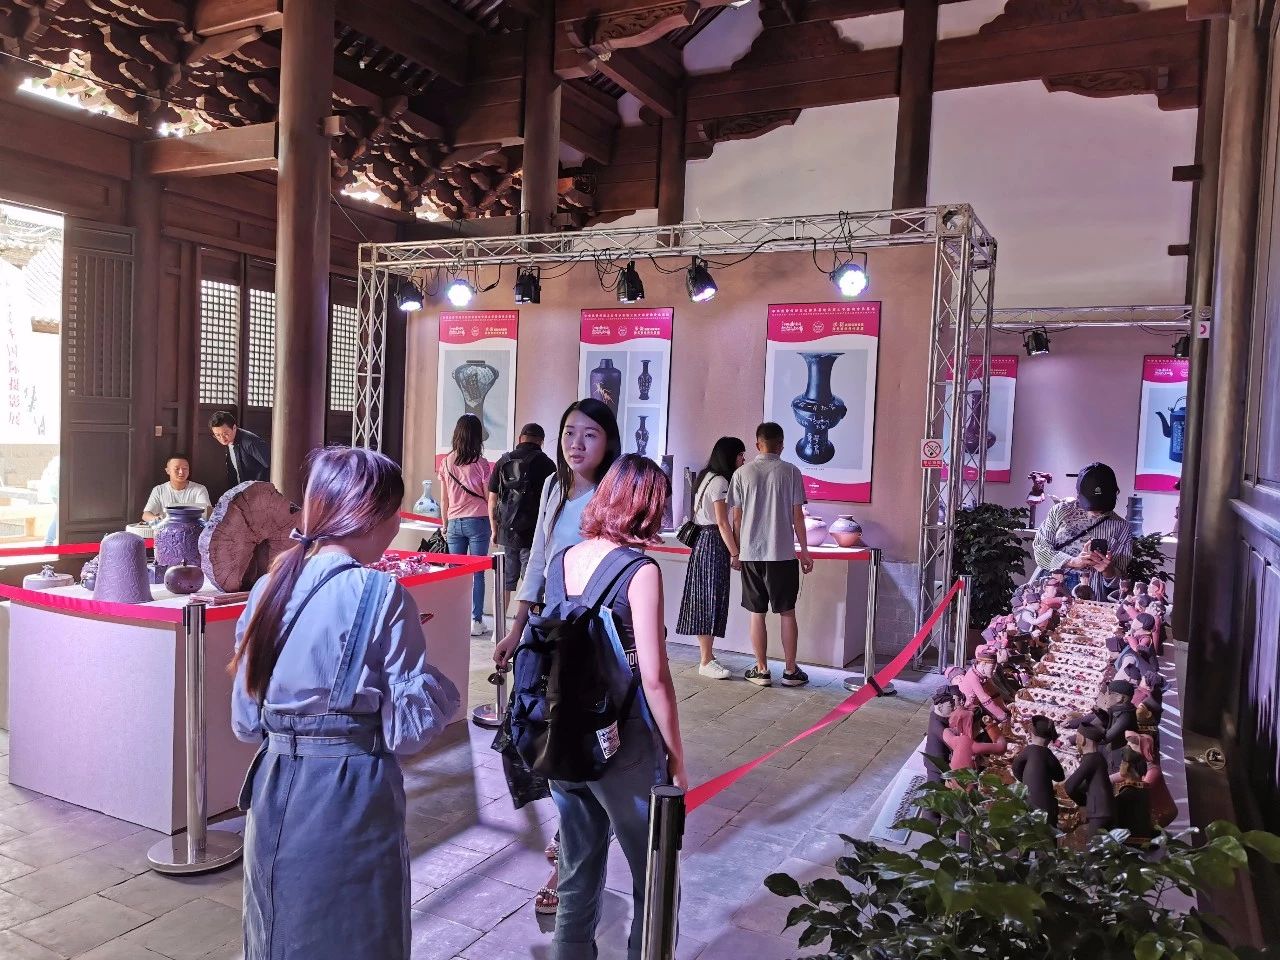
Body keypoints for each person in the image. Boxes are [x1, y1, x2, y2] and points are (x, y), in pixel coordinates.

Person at [230, 447, 460, 960]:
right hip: (351, 790)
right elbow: (408, 733)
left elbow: (246, 723)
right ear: (369, 515)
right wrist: (436, 688)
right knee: (358, 934)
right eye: (393, 511)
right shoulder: (382, 593)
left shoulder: (268, 587)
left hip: (273, 788)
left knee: (277, 928)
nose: (397, 524)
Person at [543, 454, 686, 960]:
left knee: (577, 872)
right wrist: (676, 757)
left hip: (564, 736)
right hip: (622, 739)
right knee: (655, 872)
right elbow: (655, 676)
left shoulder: (562, 560)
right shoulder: (640, 571)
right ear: (646, 507)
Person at [493, 397, 621, 916]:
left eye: (590, 434)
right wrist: (516, 628)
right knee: (539, 735)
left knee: (576, 742)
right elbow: (539, 562)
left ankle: (572, 851)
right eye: (570, 432)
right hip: (548, 632)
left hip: (591, 638)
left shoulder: (615, 492)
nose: (576, 443)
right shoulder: (552, 485)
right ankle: (574, 830)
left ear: (608, 441)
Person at [730, 422, 813, 687]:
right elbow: (798, 516)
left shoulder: (741, 473)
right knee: (787, 612)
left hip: (751, 553)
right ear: (781, 445)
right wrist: (805, 551)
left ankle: (762, 670)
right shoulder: (791, 471)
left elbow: (737, 518)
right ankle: (790, 671)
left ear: (758, 444)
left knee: (757, 613)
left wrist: (736, 552)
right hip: (782, 553)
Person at [675, 436, 746, 679]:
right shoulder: (721, 482)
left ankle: (708, 655)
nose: (743, 459)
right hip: (713, 542)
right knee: (710, 598)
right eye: (740, 454)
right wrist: (735, 553)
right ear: (729, 456)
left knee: (704, 597)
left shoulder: (706, 477)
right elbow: (723, 523)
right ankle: (705, 660)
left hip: (703, 542)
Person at [1031, 461, 1132, 595]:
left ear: (1115, 493)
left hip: (1090, 593)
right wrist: (1073, 561)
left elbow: (1120, 581)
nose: (1096, 509)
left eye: (1102, 503)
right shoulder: (1061, 511)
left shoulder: (1122, 527)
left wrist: (1109, 571)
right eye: (1091, 501)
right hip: (1050, 588)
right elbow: (1040, 548)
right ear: (1078, 494)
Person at [487, 422, 556, 608]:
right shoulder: (547, 464)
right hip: (532, 535)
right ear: (541, 442)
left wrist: (494, 529)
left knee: (503, 583)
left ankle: (499, 625)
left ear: (520, 438)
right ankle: (524, 623)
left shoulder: (503, 461)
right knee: (530, 585)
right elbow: (553, 503)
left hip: (505, 531)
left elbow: (492, 498)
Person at [438, 413, 494, 636]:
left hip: (453, 522)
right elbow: (488, 497)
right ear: (477, 436)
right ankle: (475, 621)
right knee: (477, 573)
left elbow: (444, 499)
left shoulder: (446, 462)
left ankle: (456, 618)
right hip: (478, 521)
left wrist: (445, 524)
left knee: (455, 574)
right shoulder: (481, 463)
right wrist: (495, 525)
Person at [142, 453, 211, 521]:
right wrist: (155, 519)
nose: (181, 472)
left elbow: (208, 513)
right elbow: (146, 515)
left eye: (185, 468)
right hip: (166, 527)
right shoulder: (159, 490)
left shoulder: (200, 489)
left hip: (193, 526)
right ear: (168, 471)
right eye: (177, 469)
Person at [210, 411, 271, 488]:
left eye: (225, 433)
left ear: (234, 428)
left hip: (258, 489)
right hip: (242, 489)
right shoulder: (229, 440)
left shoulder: (249, 442)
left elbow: (270, 465)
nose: (222, 438)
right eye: (218, 435)